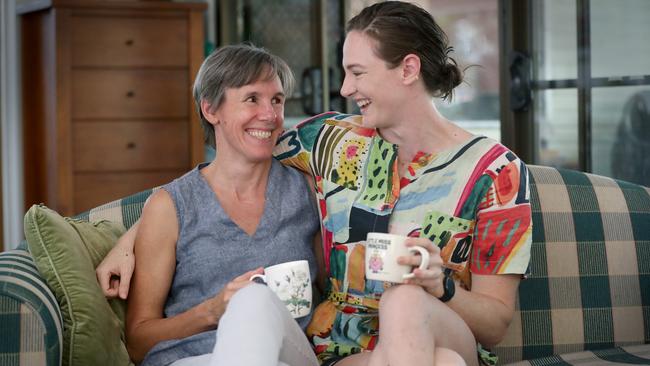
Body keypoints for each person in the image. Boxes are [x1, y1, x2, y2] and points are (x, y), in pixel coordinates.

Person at [98, 2, 532, 365]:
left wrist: (441, 283)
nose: (344, 88)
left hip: (439, 322)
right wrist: (129, 238)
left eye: (357, 73)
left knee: (408, 302)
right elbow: (229, 167)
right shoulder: (331, 141)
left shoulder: (497, 172)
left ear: (408, 69)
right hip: (346, 351)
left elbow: (494, 324)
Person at [113, 44, 322, 366]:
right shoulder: (170, 206)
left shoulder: (305, 191)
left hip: (287, 353)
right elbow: (139, 342)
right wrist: (211, 310)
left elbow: (337, 291)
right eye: (252, 99)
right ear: (211, 110)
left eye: (277, 100)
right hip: (191, 360)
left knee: (254, 300)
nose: (270, 115)